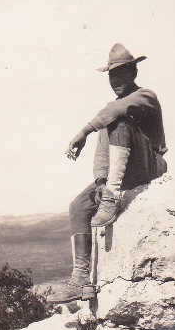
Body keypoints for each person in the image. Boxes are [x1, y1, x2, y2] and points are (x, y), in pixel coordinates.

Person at [48, 43, 167, 304]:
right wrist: (101, 180)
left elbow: (115, 113)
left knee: (119, 117)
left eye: (121, 74)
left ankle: (112, 196)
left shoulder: (145, 96)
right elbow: (104, 150)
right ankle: (81, 280)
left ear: (133, 73)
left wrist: (82, 133)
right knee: (78, 206)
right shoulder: (110, 109)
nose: (115, 81)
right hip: (120, 172)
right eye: (112, 76)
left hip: (148, 166)